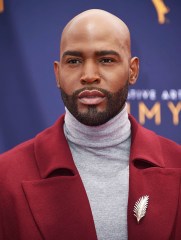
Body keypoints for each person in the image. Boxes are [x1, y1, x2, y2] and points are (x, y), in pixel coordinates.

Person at [0, 9, 180, 240]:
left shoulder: (177, 163)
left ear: (132, 70)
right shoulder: (5, 177)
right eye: (74, 61)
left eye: (106, 60)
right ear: (57, 73)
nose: (89, 75)